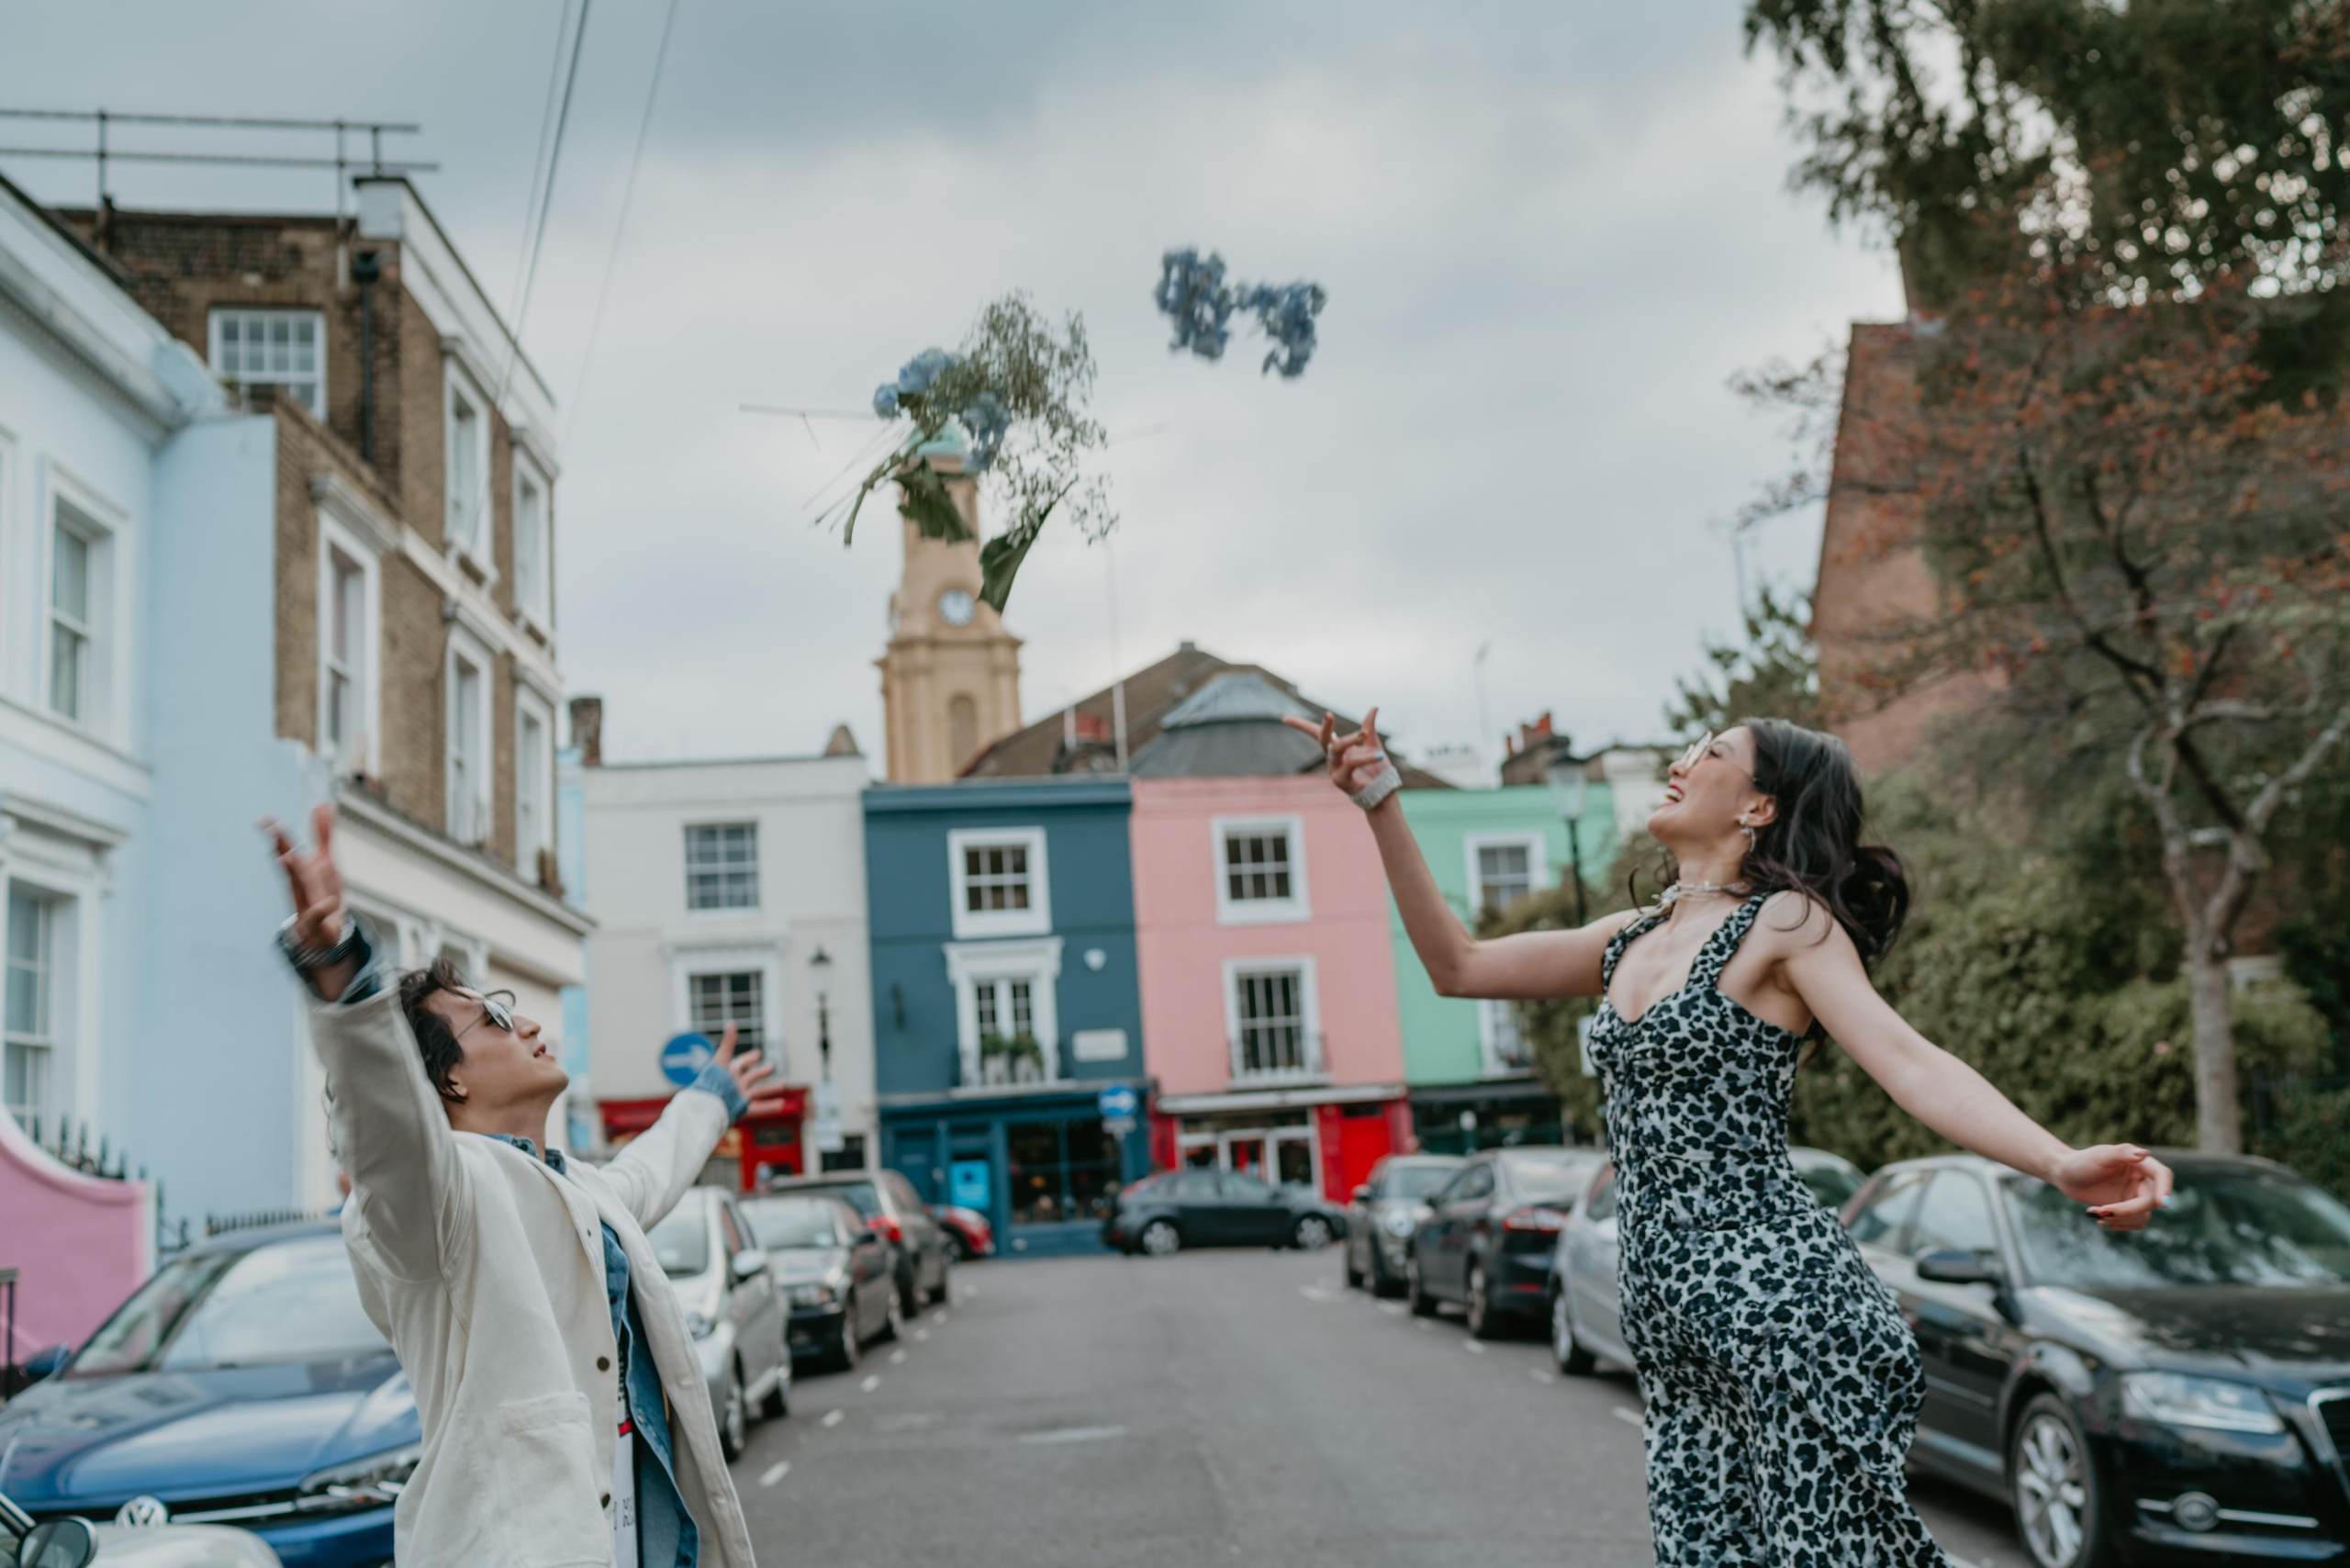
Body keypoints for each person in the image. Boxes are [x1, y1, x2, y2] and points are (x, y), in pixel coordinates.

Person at [1285, 711, 2171, 1567]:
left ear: (1759, 808)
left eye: (1711, 752)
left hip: (1782, 1310)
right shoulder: (1628, 939)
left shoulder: (1785, 925)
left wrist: (2057, 1161)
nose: (1682, 760)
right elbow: (1458, 968)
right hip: (1670, 1327)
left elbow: (1909, 1062)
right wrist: (1381, 800)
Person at [267, 805, 779, 1568]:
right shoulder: (439, 1197)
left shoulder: (572, 1185)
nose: (530, 1024)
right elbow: (386, 1129)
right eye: (496, 1020)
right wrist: (342, 977)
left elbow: (648, 1172)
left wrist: (711, 1099)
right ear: (445, 1078)